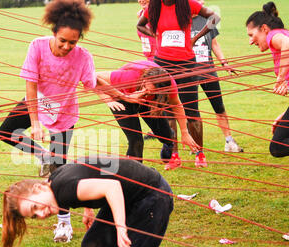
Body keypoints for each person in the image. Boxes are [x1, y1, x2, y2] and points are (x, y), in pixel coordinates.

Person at [0, 0, 127, 243]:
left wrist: (121, 95)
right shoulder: (36, 47)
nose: (67, 46)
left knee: (59, 170)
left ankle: (64, 224)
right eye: (62, 41)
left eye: (73, 42)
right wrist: (35, 122)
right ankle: (43, 154)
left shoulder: (82, 57)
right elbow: (31, 83)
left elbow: (94, 81)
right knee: (6, 133)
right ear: (54, 33)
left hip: (64, 115)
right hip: (35, 101)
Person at [1, 156, 180, 247]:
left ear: (38, 187)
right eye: (34, 216)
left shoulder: (64, 189)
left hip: (152, 195)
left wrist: (120, 228)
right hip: (129, 197)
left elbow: (112, 186)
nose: (41, 215)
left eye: (35, 207)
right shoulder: (53, 181)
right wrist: (88, 208)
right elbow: (88, 171)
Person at [137, 0, 220, 169]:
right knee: (167, 110)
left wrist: (195, 38)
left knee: (191, 110)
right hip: (162, 64)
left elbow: (214, 17)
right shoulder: (154, 5)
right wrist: (155, 35)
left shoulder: (189, 4)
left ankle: (199, 153)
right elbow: (140, 25)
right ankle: (174, 156)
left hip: (186, 64)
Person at [95, 60, 199, 168]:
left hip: (149, 102)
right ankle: (134, 177)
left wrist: (184, 132)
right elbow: (92, 77)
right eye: (146, 88)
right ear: (144, 79)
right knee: (136, 140)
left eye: (151, 91)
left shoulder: (169, 85)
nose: (147, 91)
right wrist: (108, 99)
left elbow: (177, 105)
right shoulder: (128, 76)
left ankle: (168, 139)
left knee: (166, 135)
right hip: (122, 97)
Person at [191, 0, 243, 153]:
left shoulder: (206, 19)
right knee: (192, 112)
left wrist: (224, 63)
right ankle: (195, 146)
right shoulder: (180, 20)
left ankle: (229, 142)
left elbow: (214, 43)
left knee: (219, 107)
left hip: (208, 71)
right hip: (189, 73)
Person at [246, 2, 289, 158]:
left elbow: (287, 45)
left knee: (278, 147)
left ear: (264, 29)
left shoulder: (273, 36)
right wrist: (284, 114)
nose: (251, 41)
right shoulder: (283, 34)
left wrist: (281, 79)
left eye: (251, 35)